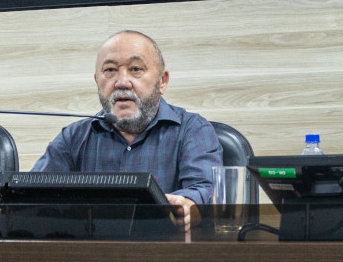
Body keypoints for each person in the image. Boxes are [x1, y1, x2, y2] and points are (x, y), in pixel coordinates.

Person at [33, 30, 223, 230]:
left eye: (135, 69)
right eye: (110, 70)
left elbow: (206, 189)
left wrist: (187, 205)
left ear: (162, 81)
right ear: (97, 80)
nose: (122, 82)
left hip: (167, 253)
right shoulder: (73, 137)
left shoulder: (192, 130)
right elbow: (31, 193)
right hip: (90, 254)